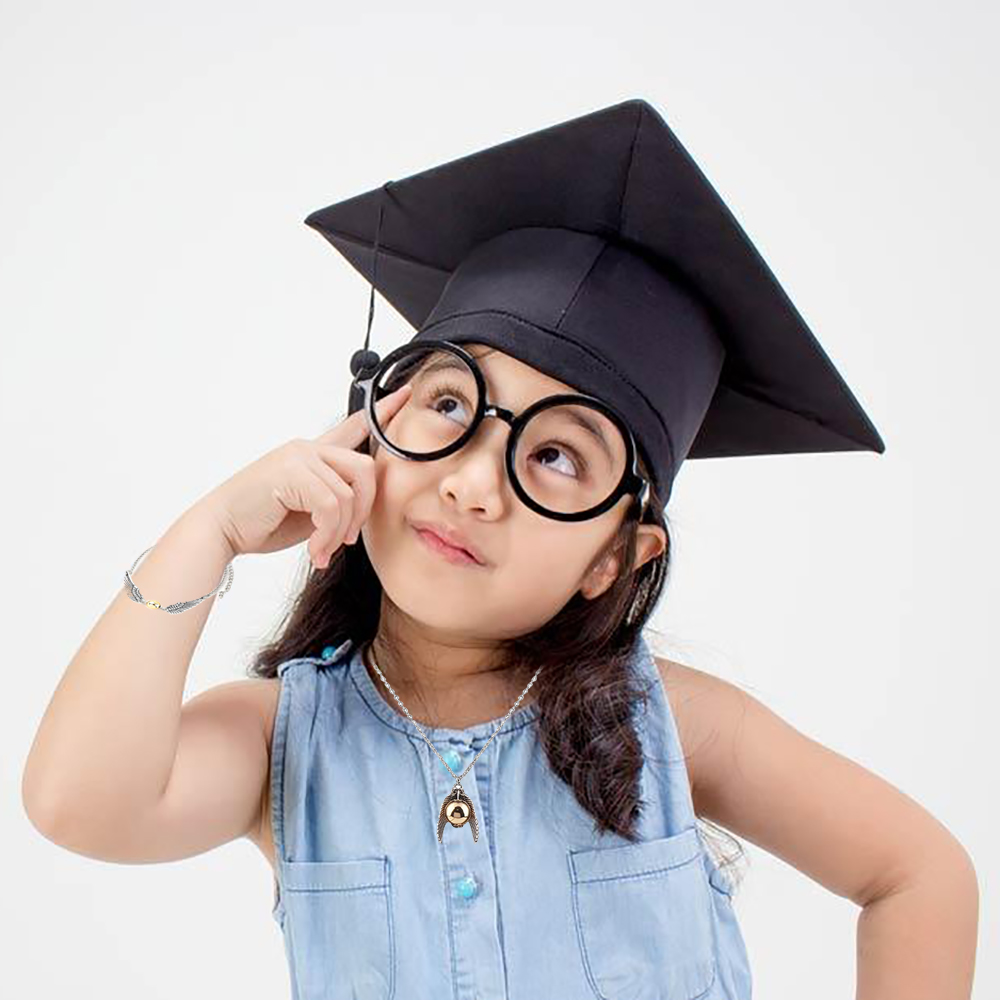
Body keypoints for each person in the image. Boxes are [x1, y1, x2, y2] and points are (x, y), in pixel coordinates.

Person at [22, 99, 978, 1000]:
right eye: (449, 403)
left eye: (557, 455)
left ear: (615, 557)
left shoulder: (668, 725)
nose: (474, 483)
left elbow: (917, 873)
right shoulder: (287, 743)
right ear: (369, 433)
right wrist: (212, 531)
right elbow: (79, 802)